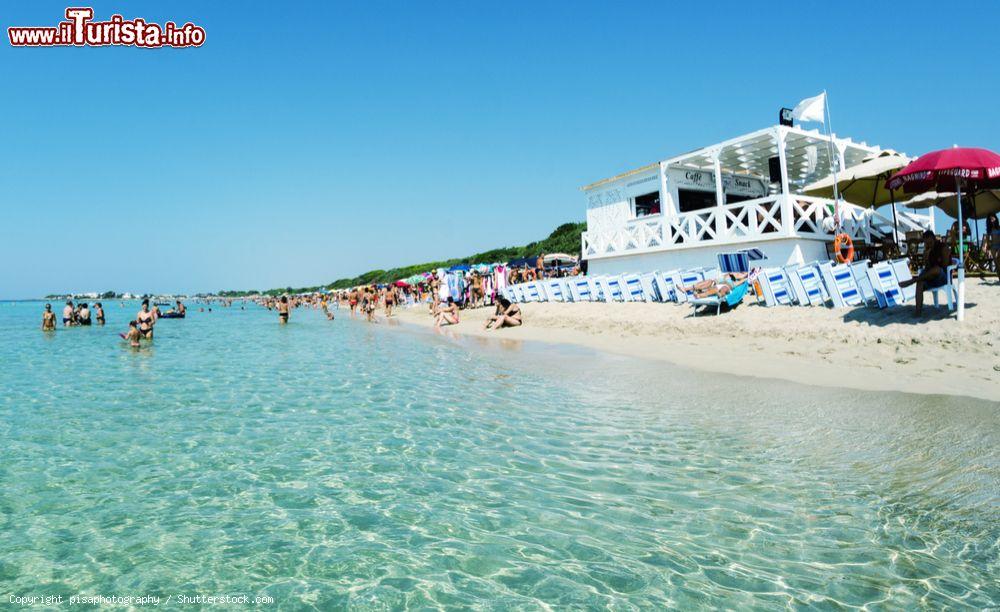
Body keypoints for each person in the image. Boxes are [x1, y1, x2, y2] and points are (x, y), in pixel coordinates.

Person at [899, 230, 951, 316]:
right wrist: (926, 257)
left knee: (937, 269)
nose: (928, 244)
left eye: (930, 242)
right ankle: (918, 311)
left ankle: (912, 281)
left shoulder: (943, 247)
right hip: (932, 278)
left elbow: (945, 266)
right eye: (926, 243)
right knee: (920, 283)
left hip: (943, 277)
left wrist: (936, 261)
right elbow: (927, 268)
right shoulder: (928, 250)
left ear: (934, 239)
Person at [679, 272, 747, 299]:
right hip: (717, 282)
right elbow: (725, 276)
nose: (742, 272)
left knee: (719, 288)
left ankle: (699, 295)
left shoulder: (740, 279)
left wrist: (745, 276)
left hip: (726, 286)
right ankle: (686, 289)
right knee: (709, 281)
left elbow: (741, 280)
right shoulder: (733, 273)